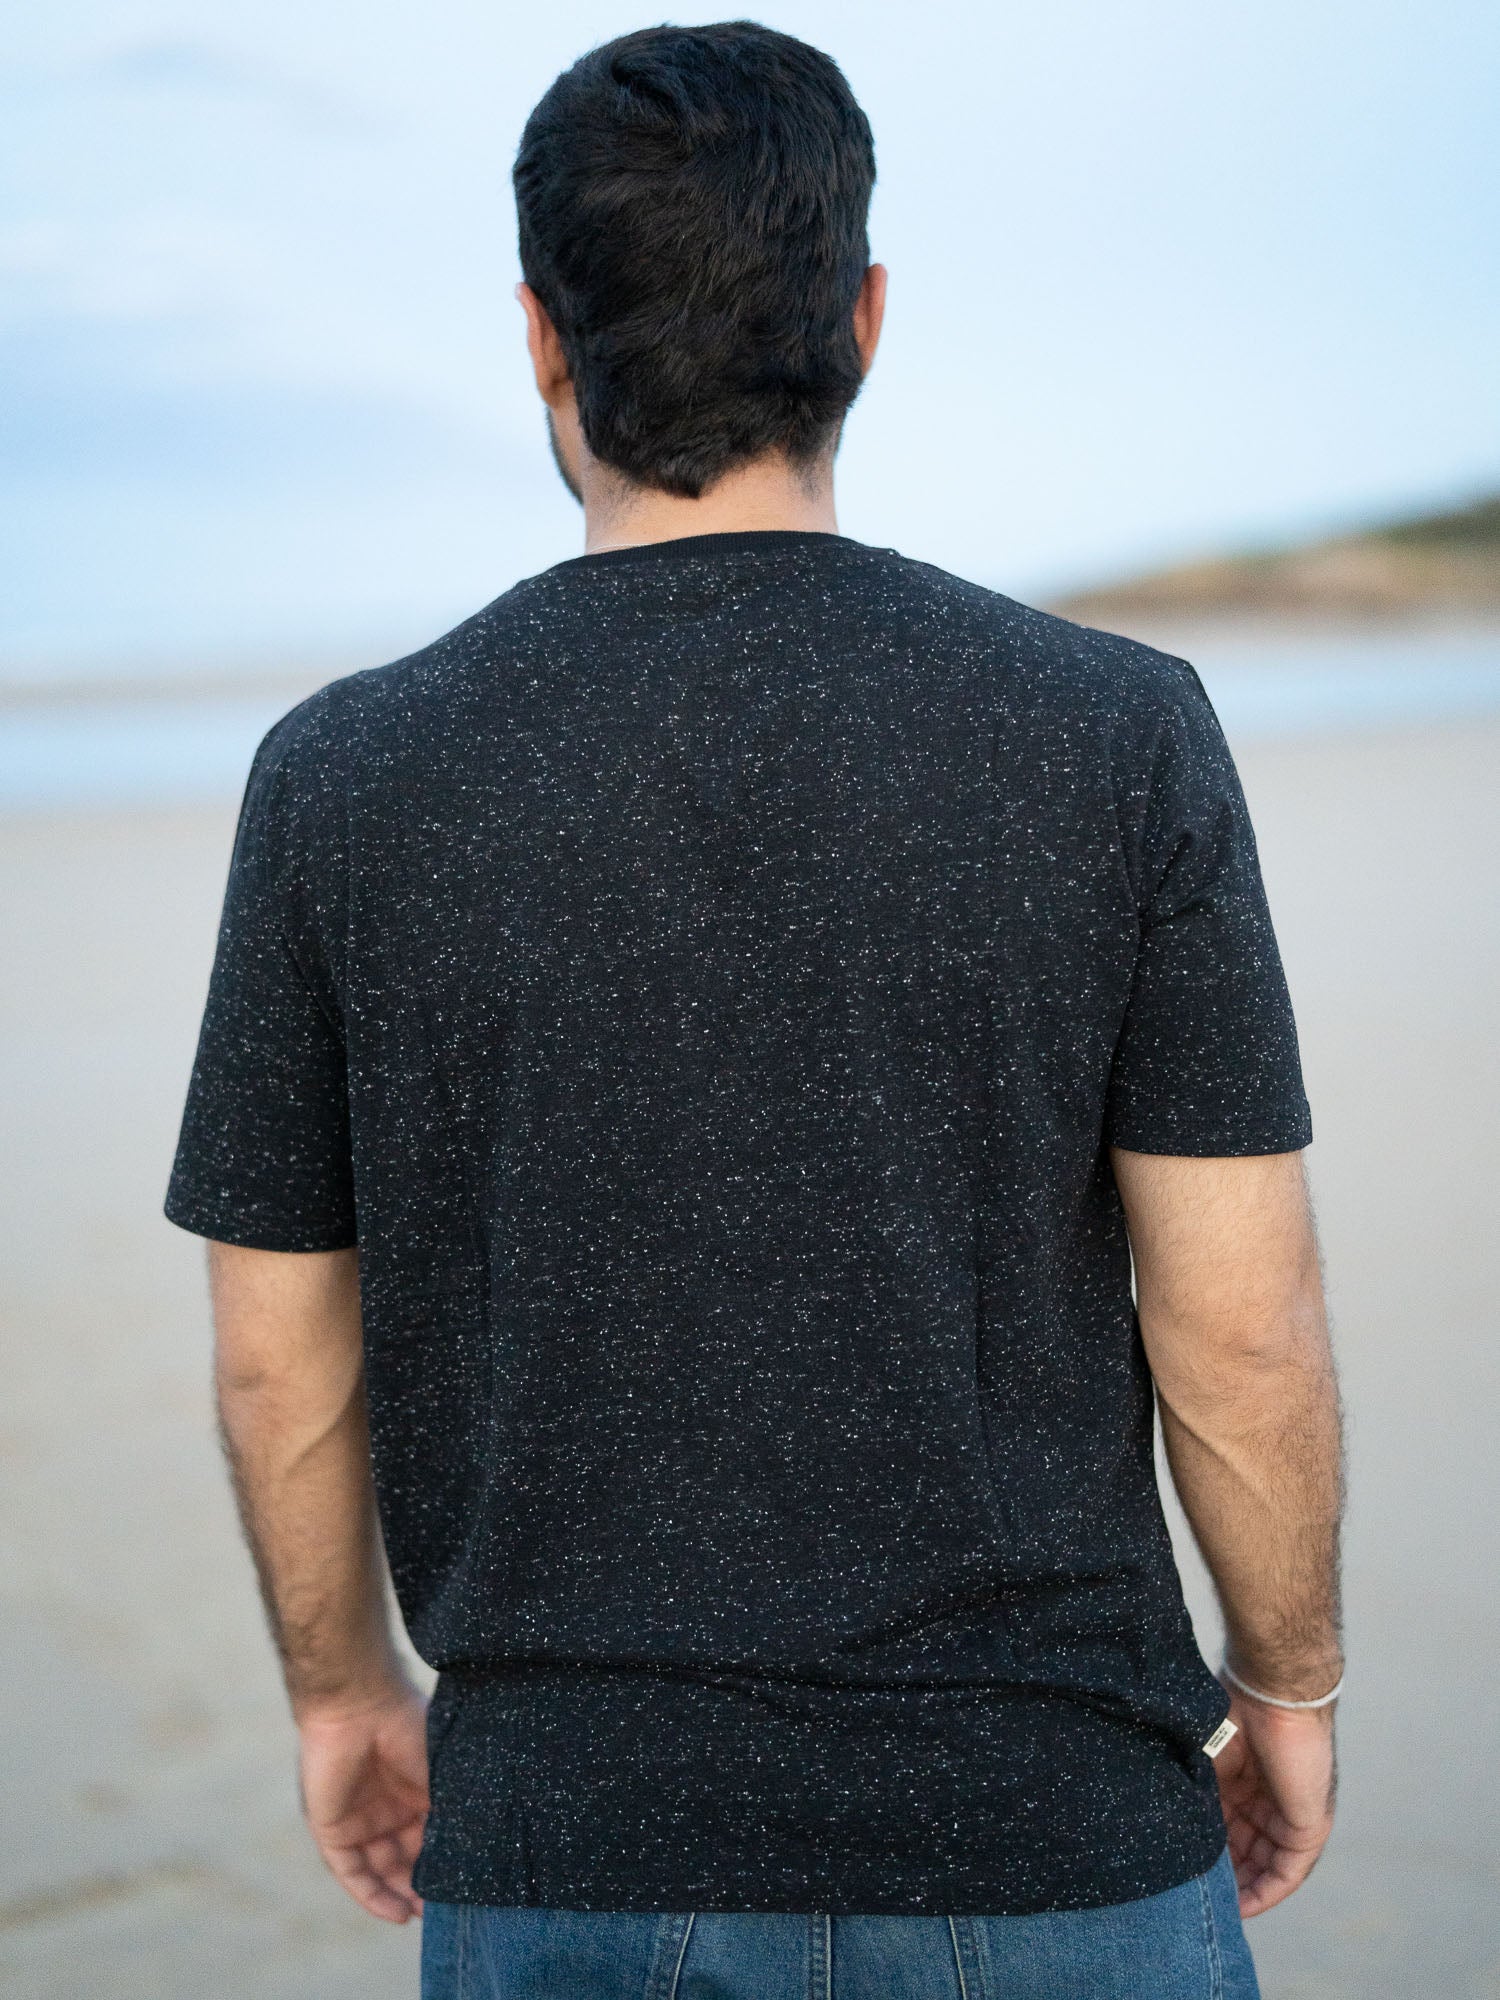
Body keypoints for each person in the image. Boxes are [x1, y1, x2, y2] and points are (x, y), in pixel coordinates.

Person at [163, 21, 1344, 2000]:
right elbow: (1238, 1318)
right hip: (1056, 1831)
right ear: (864, 321)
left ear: (543, 339)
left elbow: (282, 1355)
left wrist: (343, 1687)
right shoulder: (1119, 734)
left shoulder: (342, 778)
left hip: (566, 1849)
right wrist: (1288, 1674)